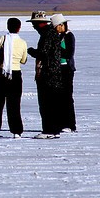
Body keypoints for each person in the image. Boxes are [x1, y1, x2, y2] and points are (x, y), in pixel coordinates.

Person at [0, 18, 28, 139]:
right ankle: (16, 131)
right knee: (14, 104)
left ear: (8, 26)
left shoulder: (2, 39)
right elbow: (23, 60)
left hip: (1, 73)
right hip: (15, 75)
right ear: (19, 28)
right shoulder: (22, 43)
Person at [26, 11, 63, 139]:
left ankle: (49, 130)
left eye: (34, 24)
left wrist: (30, 51)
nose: (33, 27)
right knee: (53, 103)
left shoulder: (47, 35)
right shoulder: (52, 33)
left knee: (46, 103)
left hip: (48, 74)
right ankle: (54, 130)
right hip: (55, 73)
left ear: (39, 24)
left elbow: (43, 54)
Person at [51, 13, 77, 133]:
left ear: (61, 25)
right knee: (58, 97)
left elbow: (69, 53)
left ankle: (70, 124)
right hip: (57, 69)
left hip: (66, 70)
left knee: (67, 97)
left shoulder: (69, 36)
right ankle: (60, 122)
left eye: (55, 26)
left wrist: (57, 47)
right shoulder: (57, 36)